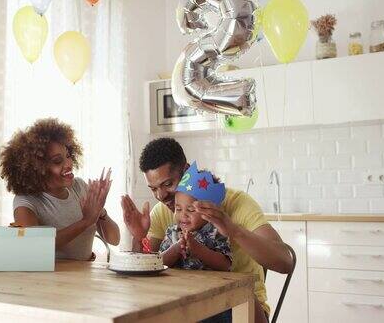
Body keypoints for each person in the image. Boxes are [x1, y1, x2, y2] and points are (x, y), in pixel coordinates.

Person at [121, 138, 293, 323]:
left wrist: (233, 230)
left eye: (168, 184)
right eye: (154, 189)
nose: (160, 196)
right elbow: (146, 271)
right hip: (183, 305)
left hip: (238, 307)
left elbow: (285, 263)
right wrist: (138, 237)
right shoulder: (163, 212)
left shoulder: (236, 203)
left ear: (187, 170)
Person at [0, 118, 120, 260]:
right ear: (37, 169)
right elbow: (33, 246)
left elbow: (114, 239)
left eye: (68, 156)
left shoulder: (80, 187)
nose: (68, 164)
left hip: (84, 277)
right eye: (57, 161)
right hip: (50, 280)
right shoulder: (26, 202)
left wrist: (100, 211)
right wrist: (86, 221)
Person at [160, 163, 232, 323]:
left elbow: (225, 265)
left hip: (212, 301)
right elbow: (160, 263)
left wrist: (198, 249)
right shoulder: (173, 232)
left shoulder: (217, 231)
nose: (183, 215)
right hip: (177, 298)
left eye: (191, 210)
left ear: (208, 210)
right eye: (178, 209)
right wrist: (177, 247)